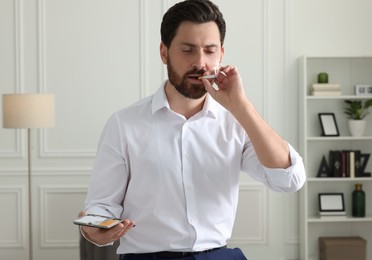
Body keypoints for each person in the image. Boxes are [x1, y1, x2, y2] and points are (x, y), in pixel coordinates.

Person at [80, 0, 306, 259]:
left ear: (221, 54)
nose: (200, 62)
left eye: (210, 51)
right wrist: (93, 230)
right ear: (164, 52)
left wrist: (242, 107)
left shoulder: (236, 122)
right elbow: (100, 208)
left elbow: (290, 180)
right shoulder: (123, 124)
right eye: (188, 50)